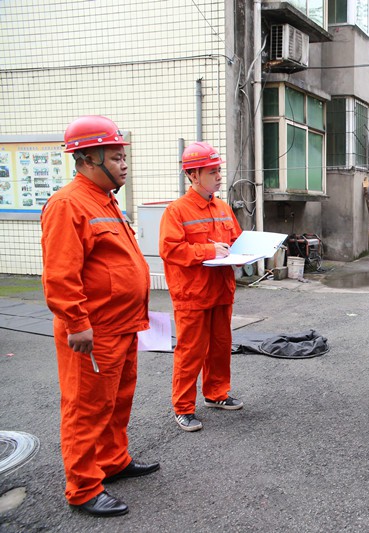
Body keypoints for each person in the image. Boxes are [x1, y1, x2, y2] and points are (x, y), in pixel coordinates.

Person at [41, 115, 160, 517]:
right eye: (116, 155)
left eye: (124, 154)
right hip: (95, 330)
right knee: (86, 408)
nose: (125, 162)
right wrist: (77, 323)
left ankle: (112, 461)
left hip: (122, 326)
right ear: (90, 157)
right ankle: (83, 487)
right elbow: (60, 274)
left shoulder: (105, 201)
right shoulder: (68, 204)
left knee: (117, 402)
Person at [159, 141, 243, 432]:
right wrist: (208, 252)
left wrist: (245, 255)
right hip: (192, 294)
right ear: (193, 175)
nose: (219, 176)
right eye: (212, 171)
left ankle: (216, 394)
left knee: (220, 346)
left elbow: (235, 241)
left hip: (220, 290)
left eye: (219, 170)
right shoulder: (177, 211)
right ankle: (183, 407)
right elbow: (171, 250)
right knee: (191, 351)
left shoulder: (222, 207)